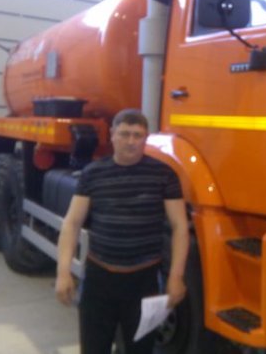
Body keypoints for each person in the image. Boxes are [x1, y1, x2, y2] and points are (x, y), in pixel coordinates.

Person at [55, 108, 189, 354]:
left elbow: (180, 226)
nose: (131, 141)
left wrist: (176, 276)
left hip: (144, 281)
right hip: (99, 279)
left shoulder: (164, 175)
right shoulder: (93, 173)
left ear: (145, 138)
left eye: (138, 135)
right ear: (112, 135)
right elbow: (72, 223)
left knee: (141, 349)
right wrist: (63, 272)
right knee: (94, 348)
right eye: (125, 134)